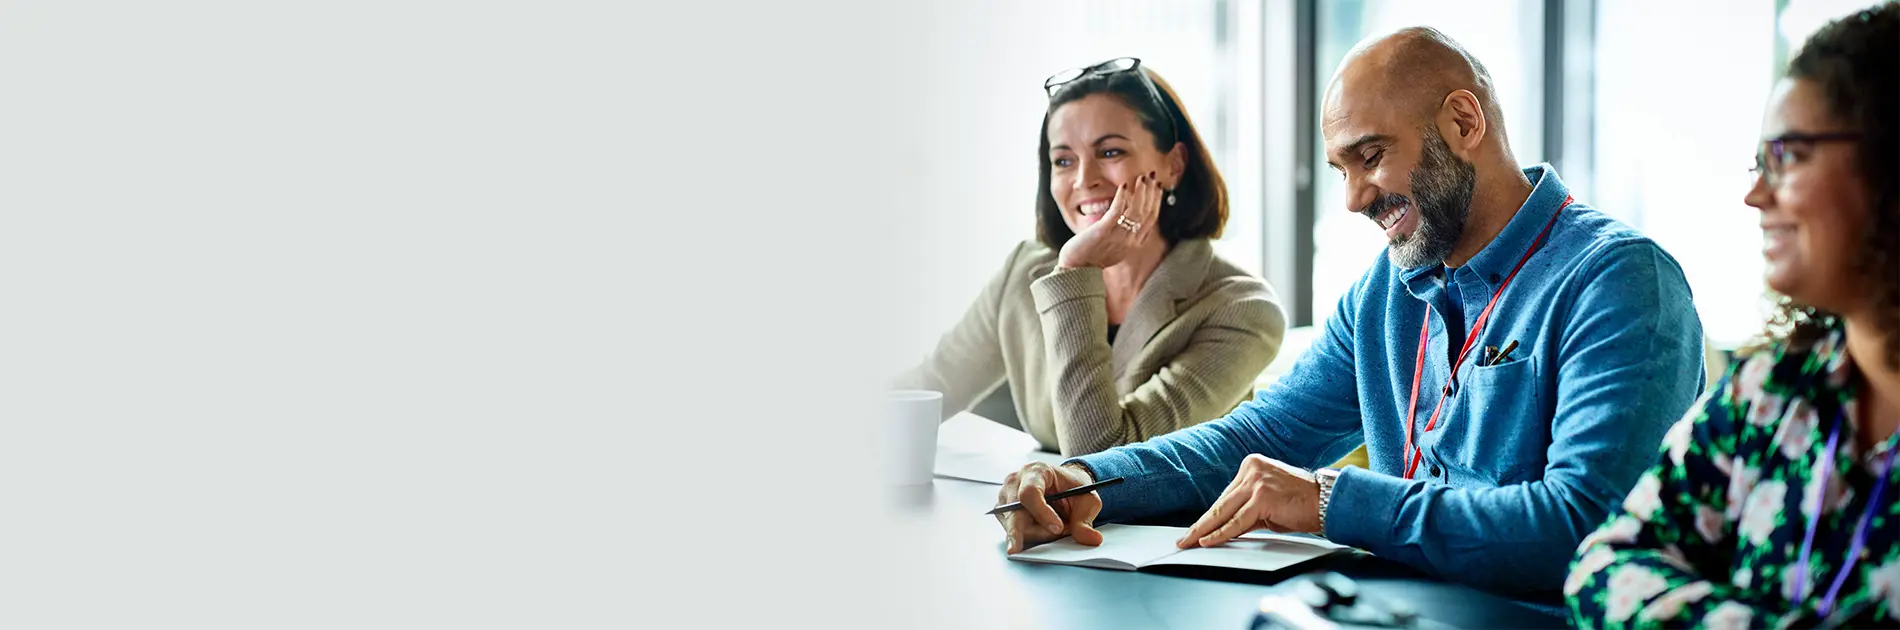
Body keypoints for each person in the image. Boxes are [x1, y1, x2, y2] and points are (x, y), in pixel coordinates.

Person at [988, 28, 1707, 596]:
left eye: (1370, 157)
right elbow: (1262, 436)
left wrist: (1334, 501)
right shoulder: (1388, 291)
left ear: (1463, 121)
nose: (1354, 198)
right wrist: (1087, 479)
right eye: (1340, 169)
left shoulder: (1621, 281)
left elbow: (1583, 528)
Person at [1565, 4, 1900, 626]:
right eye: (1759, 162)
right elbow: (1602, 567)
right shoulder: (1769, 393)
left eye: (1788, 157)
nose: (1754, 194)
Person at [896, 58, 1285, 457]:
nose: (1084, 180)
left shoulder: (1244, 310)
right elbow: (926, 388)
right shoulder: (1025, 272)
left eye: (1111, 151)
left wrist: (1077, 272)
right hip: (1043, 518)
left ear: (1173, 165)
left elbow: (1101, 460)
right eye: (1063, 160)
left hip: (1171, 521)